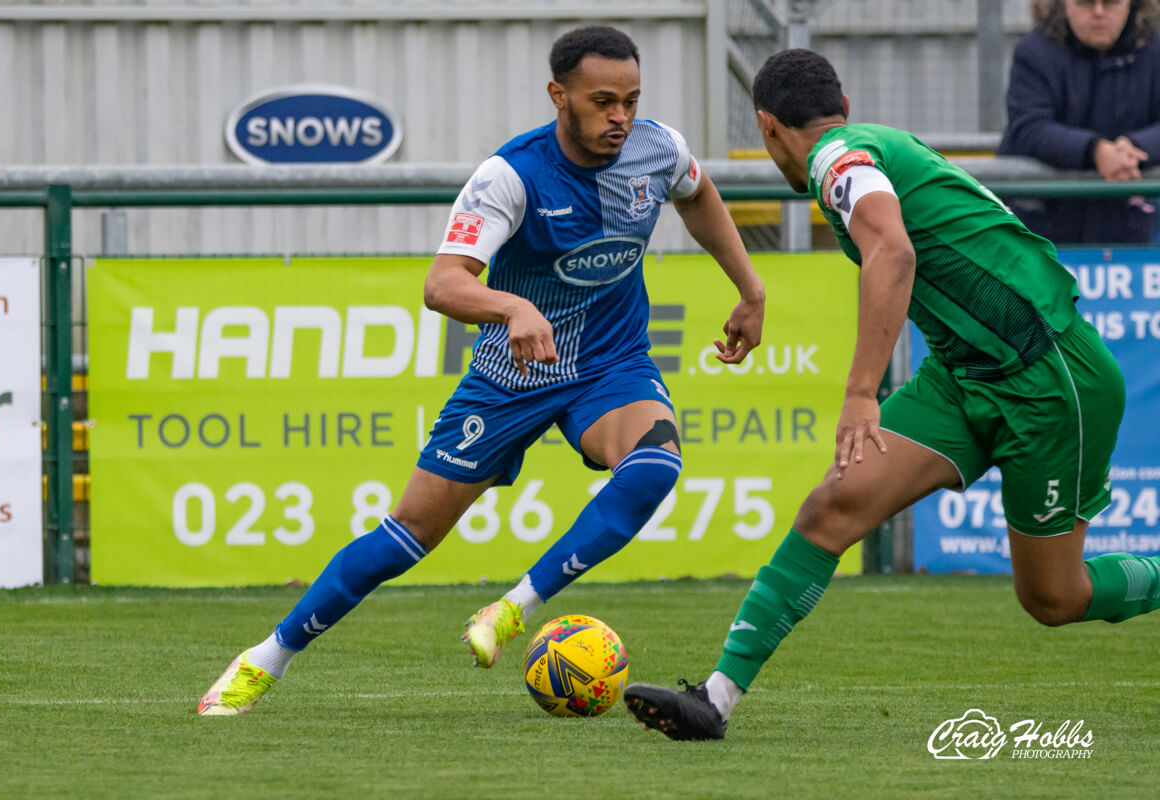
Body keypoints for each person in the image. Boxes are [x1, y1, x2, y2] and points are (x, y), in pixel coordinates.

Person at [197, 25, 766, 716]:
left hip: (611, 364)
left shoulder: (655, 148)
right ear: (559, 95)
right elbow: (442, 285)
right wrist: (511, 308)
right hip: (512, 376)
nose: (621, 117)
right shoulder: (512, 174)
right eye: (603, 101)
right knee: (405, 538)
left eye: (632, 100)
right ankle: (266, 659)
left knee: (656, 466)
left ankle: (512, 609)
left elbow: (697, 192)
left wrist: (750, 288)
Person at [624, 48, 1160, 742]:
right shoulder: (861, 149)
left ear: (767, 127)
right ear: (841, 107)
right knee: (833, 505)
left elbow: (894, 252)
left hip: (1053, 378)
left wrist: (860, 394)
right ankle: (715, 700)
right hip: (964, 374)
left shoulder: (835, 160)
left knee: (1055, 597)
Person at [997, 0, 1160, 244]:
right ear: (1063, 4)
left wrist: (1136, 148)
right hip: (1043, 230)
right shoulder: (1033, 52)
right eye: (1085, 2)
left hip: (1135, 232)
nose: (1098, 12)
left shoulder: (1155, 50)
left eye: (1110, 2)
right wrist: (1095, 151)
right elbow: (1028, 126)